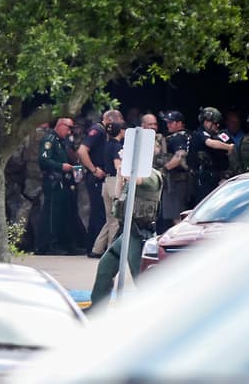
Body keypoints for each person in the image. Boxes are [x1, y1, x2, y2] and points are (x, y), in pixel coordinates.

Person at [90, 165, 164, 308]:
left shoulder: (153, 176)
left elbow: (137, 179)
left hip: (140, 233)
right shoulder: (133, 176)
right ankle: (97, 308)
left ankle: (154, 309)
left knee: (140, 277)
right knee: (106, 266)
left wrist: (127, 164)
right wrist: (119, 173)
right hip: (127, 232)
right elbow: (118, 196)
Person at [80, 109, 124, 258]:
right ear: (112, 121)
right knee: (111, 218)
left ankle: (97, 248)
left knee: (107, 218)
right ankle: (110, 251)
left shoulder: (108, 140)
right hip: (104, 180)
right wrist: (93, 169)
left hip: (104, 180)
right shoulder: (98, 131)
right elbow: (82, 151)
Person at [37, 117, 79, 256]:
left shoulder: (63, 141)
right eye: (68, 128)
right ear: (60, 125)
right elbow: (43, 160)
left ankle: (64, 243)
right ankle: (47, 245)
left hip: (64, 182)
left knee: (63, 215)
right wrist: (61, 166)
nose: (69, 132)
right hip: (53, 182)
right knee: (51, 215)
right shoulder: (49, 140)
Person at [189, 107, 234, 205]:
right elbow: (210, 143)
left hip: (220, 177)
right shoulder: (199, 134)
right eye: (214, 122)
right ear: (206, 122)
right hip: (203, 178)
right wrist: (229, 147)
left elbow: (232, 146)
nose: (217, 125)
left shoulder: (221, 134)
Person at [157, 111, 191, 233]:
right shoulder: (187, 135)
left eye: (171, 122)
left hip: (176, 181)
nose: (168, 125)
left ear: (180, 123)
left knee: (176, 216)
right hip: (184, 180)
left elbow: (180, 155)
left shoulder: (178, 137)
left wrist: (165, 169)